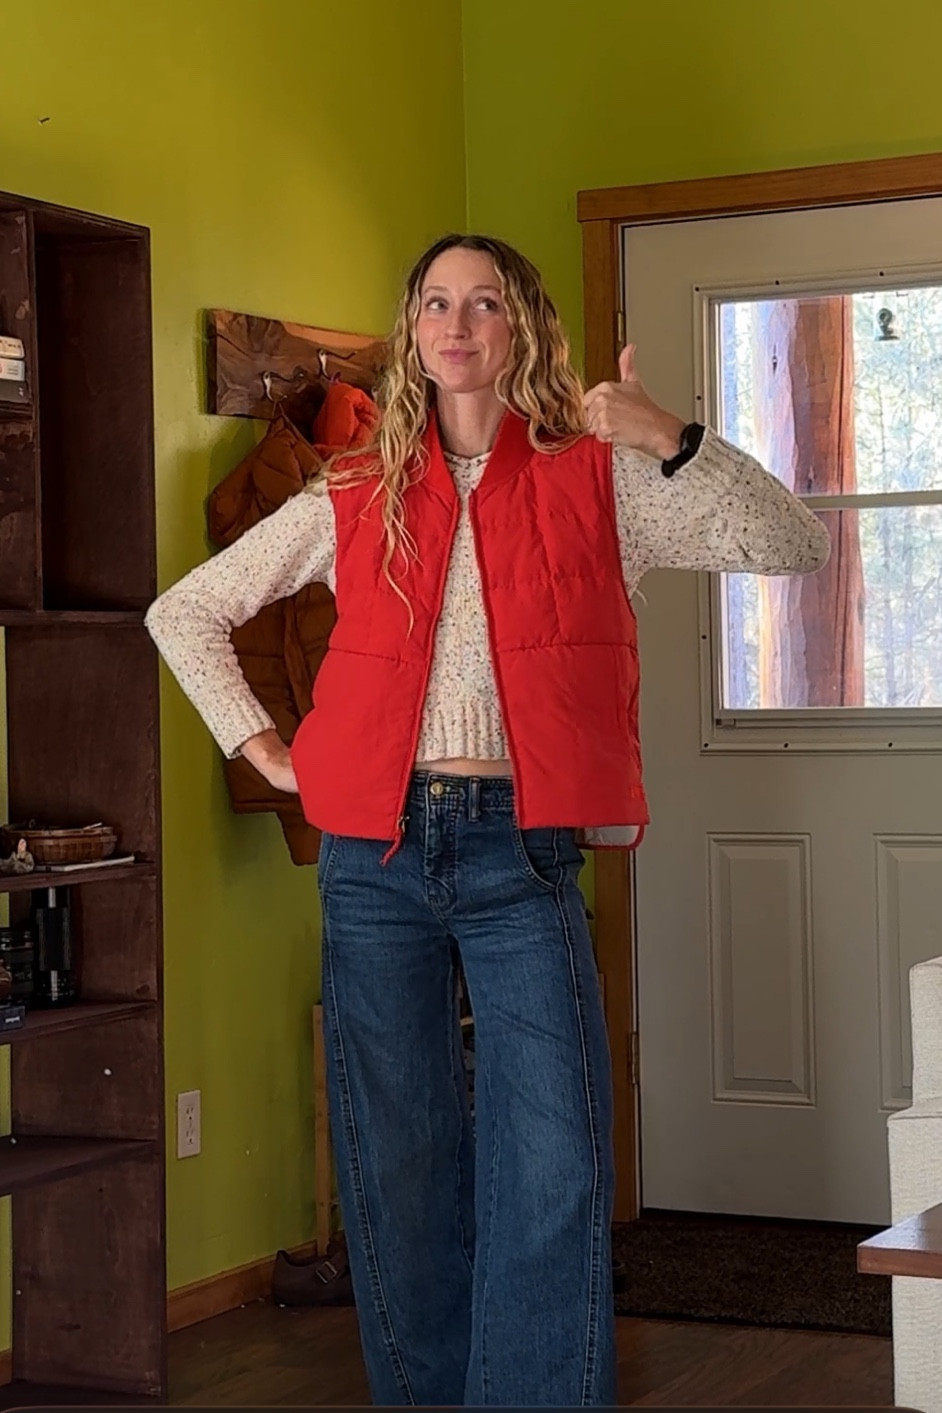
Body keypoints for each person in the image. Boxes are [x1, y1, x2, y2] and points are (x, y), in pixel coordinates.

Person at [146, 233, 829, 1407]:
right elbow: (184, 612)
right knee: (398, 1161)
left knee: (555, 1159)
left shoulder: (604, 479)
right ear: (413, 332)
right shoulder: (352, 492)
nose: (457, 325)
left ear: (525, 330)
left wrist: (667, 435)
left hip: (522, 848)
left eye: (485, 304)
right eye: (435, 304)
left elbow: (793, 545)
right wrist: (269, 754)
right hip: (373, 856)